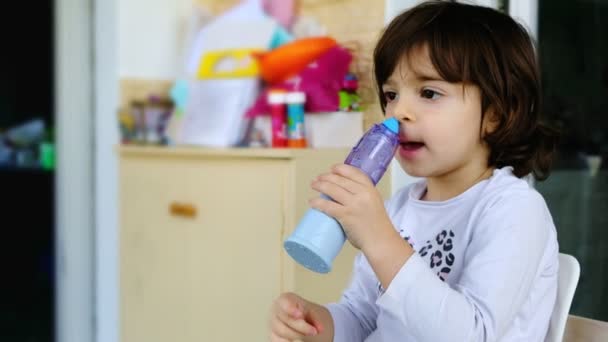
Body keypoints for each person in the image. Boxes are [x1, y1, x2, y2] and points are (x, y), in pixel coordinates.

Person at [269, 1, 560, 341]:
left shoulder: (513, 210)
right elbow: (362, 320)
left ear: (496, 113)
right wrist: (314, 324)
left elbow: (473, 335)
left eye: (429, 92)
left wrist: (379, 238)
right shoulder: (397, 209)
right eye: (391, 94)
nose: (399, 111)